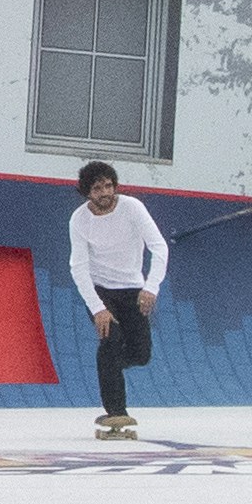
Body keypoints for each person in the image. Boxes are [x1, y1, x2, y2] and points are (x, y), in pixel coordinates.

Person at [69, 158, 171, 440]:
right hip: (100, 289)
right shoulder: (79, 219)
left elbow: (159, 247)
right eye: (97, 189)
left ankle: (110, 366)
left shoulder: (132, 208)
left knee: (141, 354)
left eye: (108, 186)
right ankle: (115, 410)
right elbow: (78, 267)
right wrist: (97, 308)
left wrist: (151, 288)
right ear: (87, 193)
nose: (105, 193)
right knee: (111, 339)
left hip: (132, 288)